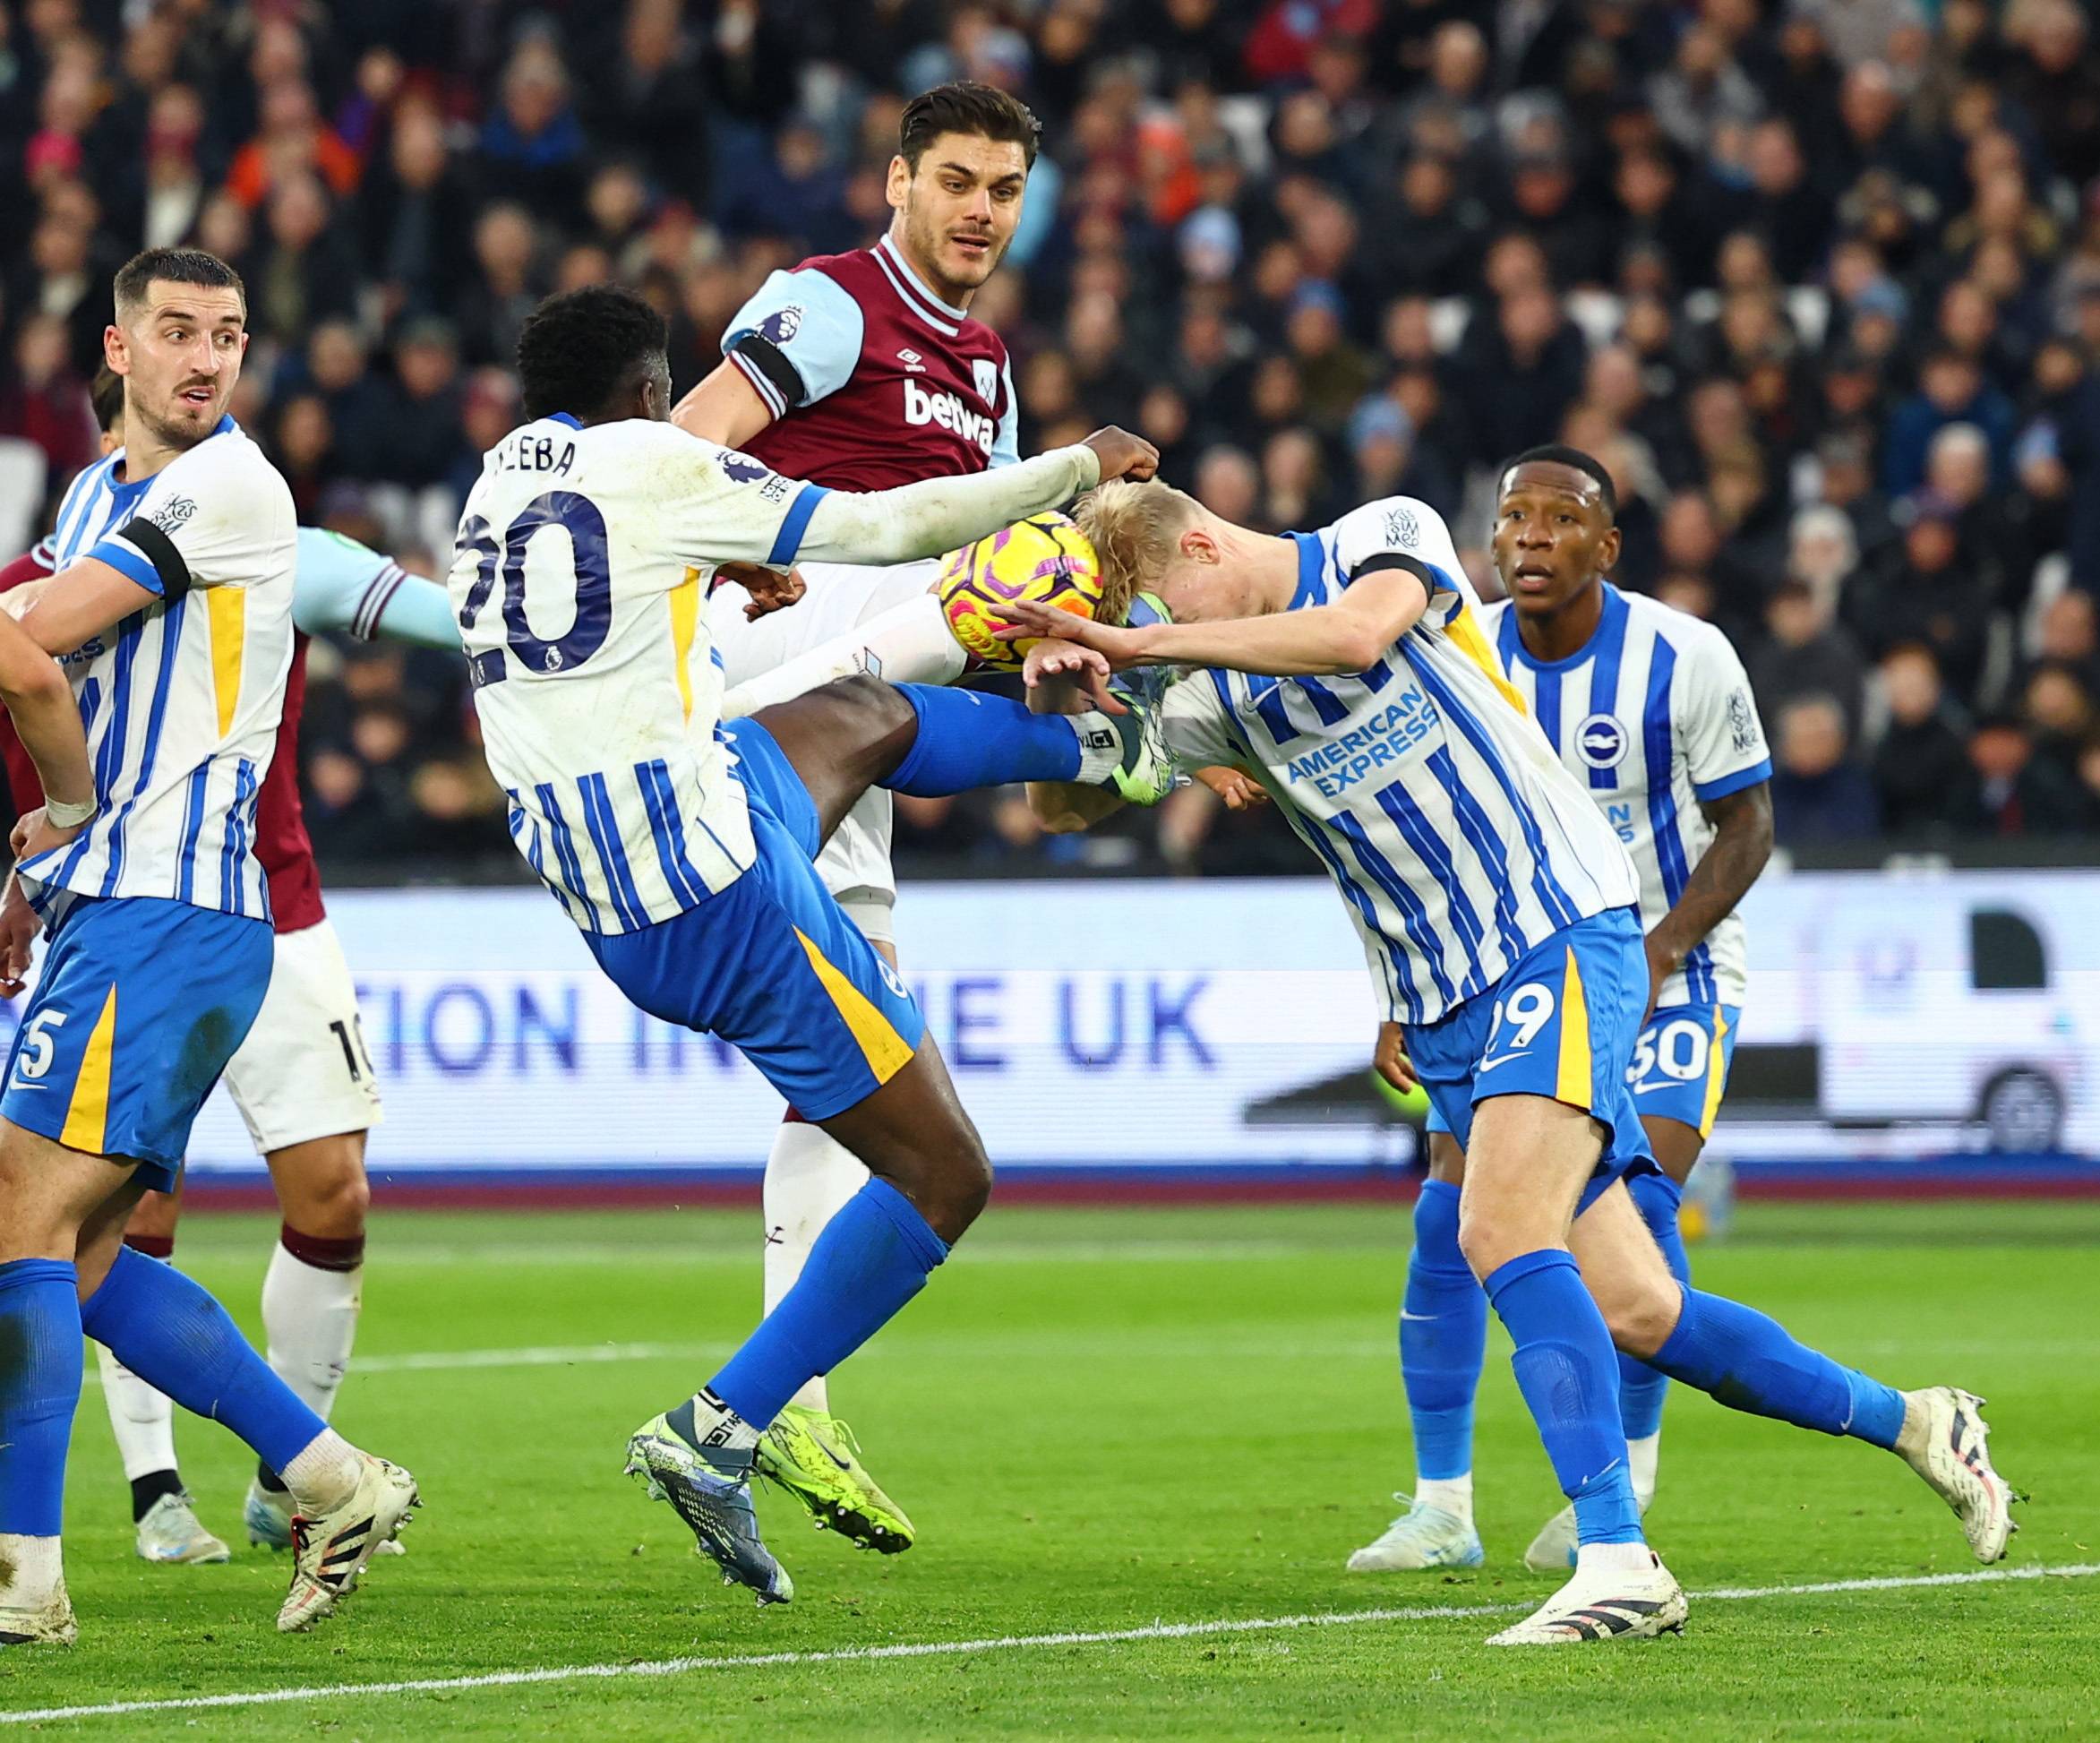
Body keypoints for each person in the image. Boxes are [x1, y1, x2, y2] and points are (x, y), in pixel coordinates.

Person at [999, 476, 2016, 1646]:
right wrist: (1066, 693)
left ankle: (1617, 1558)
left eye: (1155, 595)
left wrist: (1139, 637)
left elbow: (1357, 633)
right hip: (1443, 1006)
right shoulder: (1207, 689)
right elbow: (1074, 805)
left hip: (1559, 934)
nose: (1152, 626)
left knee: (1493, 1230)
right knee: (1637, 1306)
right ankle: (1917, 1421)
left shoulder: (1377, 538)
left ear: (1198, 542)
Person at [457, 284, 1166, 1605]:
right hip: (712, 898)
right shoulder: (654, 459)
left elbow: (592, 602)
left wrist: (712, 563)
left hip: (652, 829)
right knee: (948, 1175)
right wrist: (1076, 467)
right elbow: (890, 525)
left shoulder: (497, 483)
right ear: (655, 391)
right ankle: (719, 1429)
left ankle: (1104, 751)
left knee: (863, 707)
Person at [0, 247, 416, 1648]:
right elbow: (56, 681)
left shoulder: (234, 485)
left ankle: (22, 1575)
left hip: (171, 910)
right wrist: (41, 856)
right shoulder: (92, 494)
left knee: (17, 1214)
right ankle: (333, 1477)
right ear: (116, 351)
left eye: (227, 335)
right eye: (175, 332)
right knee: (92, 1260)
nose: (205, 358)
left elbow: (31, 646)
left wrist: (59, 811)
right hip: (123, 907)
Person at [672, 81, 1041, 1548]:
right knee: (1051, 571)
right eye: (954, 179)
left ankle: (782, 1409)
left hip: (862, 698)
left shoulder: (989, 363)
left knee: (858, 1031)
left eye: (1004, 188)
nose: (978, 210)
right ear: (895, 181)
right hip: (782, 626)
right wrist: (732, 540)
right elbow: (692, 444)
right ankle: (1121, 744)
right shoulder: (830, 304)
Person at [1342, 447, 1775, 1578]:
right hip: (1502, 976)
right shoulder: (1454, 650)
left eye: (1559, 517)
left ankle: (1624, 1477)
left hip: (1668, 973)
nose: (1529, 536)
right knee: (1446, 1214)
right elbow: (1413, 837)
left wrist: (1659, 944)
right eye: (1511, 517)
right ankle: (1442, 1505)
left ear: (1606, 545)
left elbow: (1748, 826)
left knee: (1634, 1204)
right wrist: (1401, 987)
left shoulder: (1686, 656)